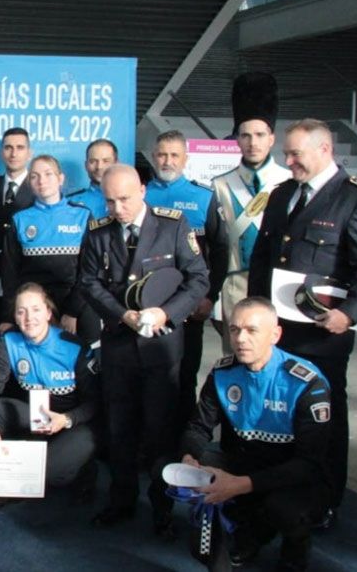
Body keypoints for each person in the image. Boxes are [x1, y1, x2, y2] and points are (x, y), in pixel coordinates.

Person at [247, 118, 357, 522]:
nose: (288, 162)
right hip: (279, 330)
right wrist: (257, 311)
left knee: (322, 419)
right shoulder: (282, 194)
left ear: (325, 150)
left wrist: (350, 314)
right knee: (278, 412)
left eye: (295, 154)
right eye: (286, 154)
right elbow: (263, 258)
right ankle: (277, 489)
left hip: (323, 333)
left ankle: (324, 499)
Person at [78, 164, 209, 537]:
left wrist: (166, 312)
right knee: (119, 430)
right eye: (109, 201)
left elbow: (198, 278)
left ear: (142, 192)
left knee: (160, 432)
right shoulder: (98, 231)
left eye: (124, 199)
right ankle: (121, 501)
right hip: (119, 345)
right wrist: (123, 315)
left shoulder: (173, 225)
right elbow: (87, 282)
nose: (116, 208)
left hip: (162, 348)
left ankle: (162, 507)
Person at [180, 298, 332, 572]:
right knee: (183, 471)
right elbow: (198, 427)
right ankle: (247, 534)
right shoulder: (223, 372)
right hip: (245, 461)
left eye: (252, 330)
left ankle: (296, 546)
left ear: (275, 334)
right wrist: (190, 457)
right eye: (235, 329)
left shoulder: (306, 383)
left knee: (284, 510)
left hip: (293, 474)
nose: (241, 339)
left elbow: (309, 464)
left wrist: (239, 485)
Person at [0, 283, 99, 495]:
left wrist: (66, 419)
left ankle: (85, 468)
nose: (28, 318)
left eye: (36, 310)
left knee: (47, 473)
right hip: (36, 416)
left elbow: (95, 402)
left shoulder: (74, 347)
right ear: (14, 317)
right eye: (21, 311)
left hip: (73, 422)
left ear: (48, 313)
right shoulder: (9, 341)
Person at [145, 130, 227, 428]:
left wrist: (209, 296)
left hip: (189, 305)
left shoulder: (203, 197)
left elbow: (220, 251)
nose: (167, 160)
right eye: (162, 154)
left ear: (186, 158)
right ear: (154, 157)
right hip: (146, 304)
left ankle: (181, 440)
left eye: (174, 155)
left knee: (185, 372)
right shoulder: (140, 194)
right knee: (147, 374)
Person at [210, 72, 289, 353]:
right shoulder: (219, 185)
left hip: (279, 284)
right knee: (236, 357)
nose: (252, 142)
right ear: (237, 139)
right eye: (245, 135)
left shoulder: (289, 182)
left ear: (271, 138)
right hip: (234, 287)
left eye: (259, 135)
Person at [0, 154, 98, 350]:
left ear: (60, 179)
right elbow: (9, 273)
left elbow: (90, 271)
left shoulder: (82, 215)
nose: (41, 181)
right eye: (34, 176)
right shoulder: (20, 219)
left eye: (48, 174)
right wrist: (8, 316)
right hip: (34, 310)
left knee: (83, 365)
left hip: (76, 306)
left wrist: (73, 312)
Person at [0, 128, 35, 338]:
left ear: (29, 153)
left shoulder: (39, 190)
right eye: (8, 147)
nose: (14, 153)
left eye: (20, 148)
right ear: (2, 152)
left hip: (25, 279)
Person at [65, 139, 118, 218]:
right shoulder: (70, 202)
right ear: (86, 165)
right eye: (93, 161)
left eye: (106, 161)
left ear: (116, 164)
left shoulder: (136, 197)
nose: (99, 167)